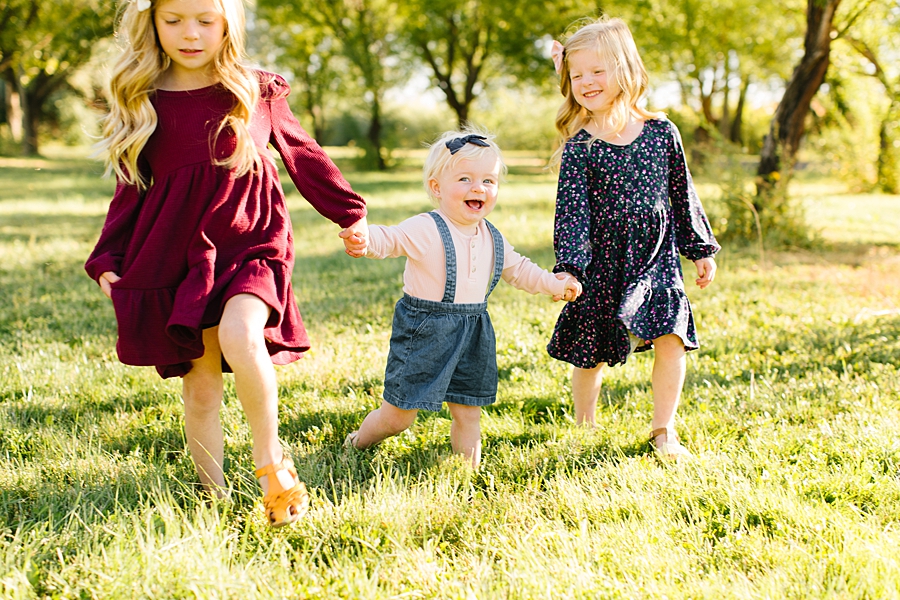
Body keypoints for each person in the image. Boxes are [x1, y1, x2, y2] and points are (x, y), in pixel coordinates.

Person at [85, 0, 368, 526]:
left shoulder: (255, 87)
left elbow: (302, 153)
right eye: (173, 21)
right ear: (152, 23)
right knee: (201, 382)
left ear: (228, 23)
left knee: (242, 334)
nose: (189, 34)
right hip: (177, 250)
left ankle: (272, 465)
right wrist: (107, 256)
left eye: (204, 21)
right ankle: (211, 495)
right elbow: (132, 188)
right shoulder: (144, 98)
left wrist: (348, 212)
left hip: (252, 241)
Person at [342, 129, 581, 467]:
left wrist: (553, 284)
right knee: (399, 416)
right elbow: (391, 239)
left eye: (488, 180)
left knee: (469, 411)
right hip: (425, 331)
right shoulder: (427, 228)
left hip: (473, 333)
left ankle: (468, 473)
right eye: (465, 178)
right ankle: (359, 442)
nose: (478, 187)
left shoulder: (492, 237)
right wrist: (365, 239)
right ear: (437, 188)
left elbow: (519, 270)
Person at [547, 18, 720, 459]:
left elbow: (683, 193)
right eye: (577, 75)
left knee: (671, 337)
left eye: (596, 72)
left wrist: (698, 248)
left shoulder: (662, 132)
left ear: (624, 69)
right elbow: (572, 212)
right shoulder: (581, 146)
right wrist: (569, 266)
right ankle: (584, 424)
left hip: (655, 258)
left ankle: (664, 430)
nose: (585, 82)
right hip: (601, 262)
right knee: (592, 349)